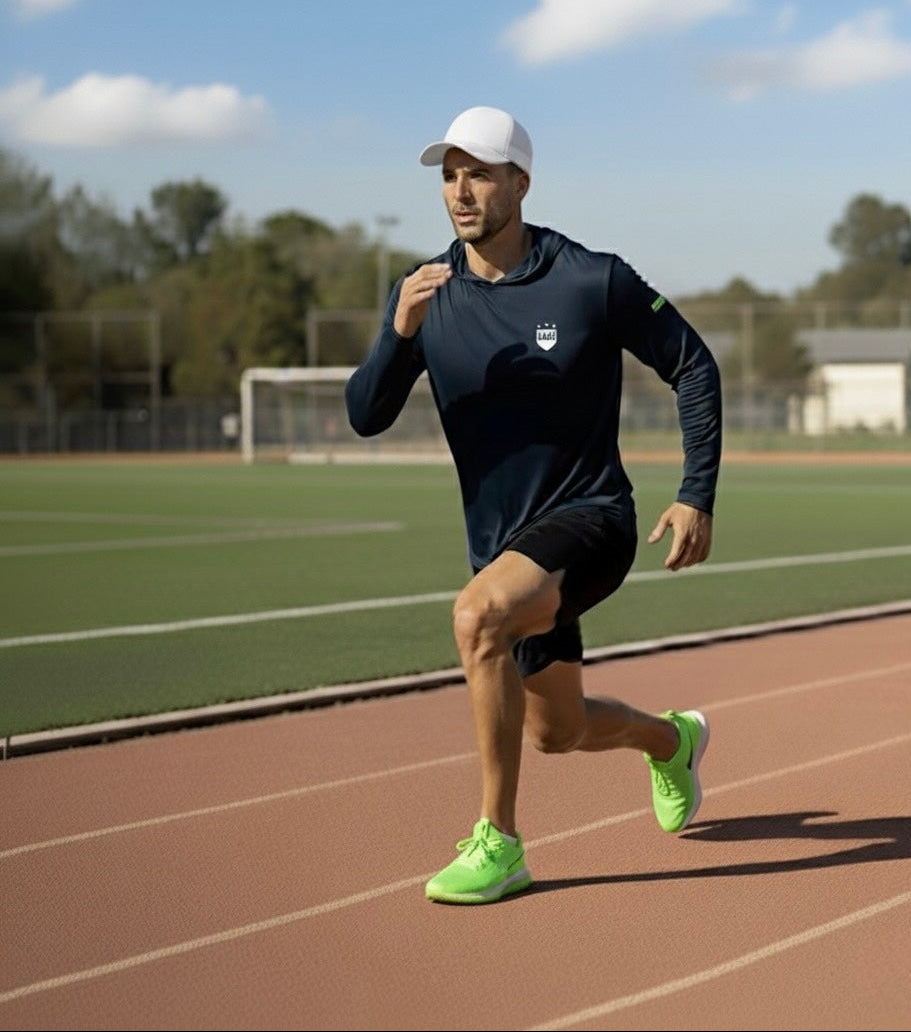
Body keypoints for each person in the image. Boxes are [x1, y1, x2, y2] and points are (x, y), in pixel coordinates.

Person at [345, 105, 722, 905]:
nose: (459, 190)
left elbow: (691, 364)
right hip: (504, 545)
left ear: (519, 181)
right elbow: (365, 414)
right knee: (559, 731)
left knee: (476, 616)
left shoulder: (591, 278)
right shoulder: (424, 292)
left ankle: (500, 843)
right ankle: (671, 740)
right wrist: (396, 334)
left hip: (592, 519)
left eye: (477, 172)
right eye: (448, 175)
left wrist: (694, 495)